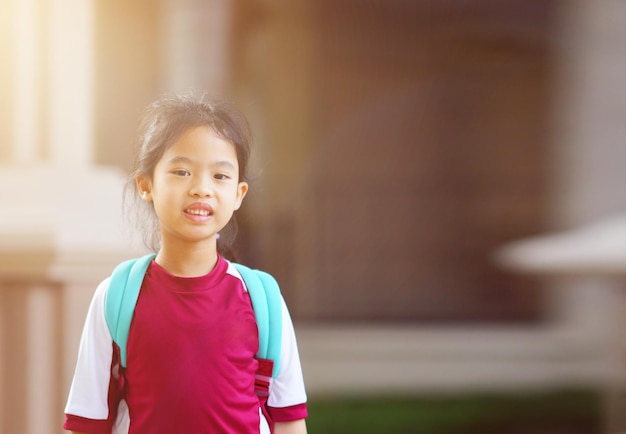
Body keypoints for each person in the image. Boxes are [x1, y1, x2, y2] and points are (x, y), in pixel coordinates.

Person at [63, 93, 308, 434]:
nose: (201, 189)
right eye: (182, 171)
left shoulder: (262, 299)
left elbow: (289, 421)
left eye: (220, 176)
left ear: (238, 195)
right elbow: (86, 423)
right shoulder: (117, 298)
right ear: (146, 185)